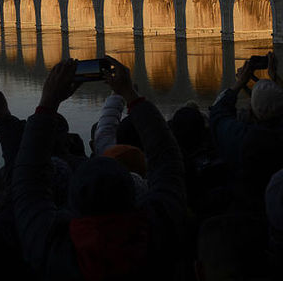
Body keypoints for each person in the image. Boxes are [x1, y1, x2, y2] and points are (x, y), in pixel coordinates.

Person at [12, 57, 187, 280]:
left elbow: (28, 181)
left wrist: (48, 102)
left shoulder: (52, 249)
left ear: (72, 202)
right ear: (134, 190)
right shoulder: (159, 231)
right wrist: (130, 95)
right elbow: (167, 158)